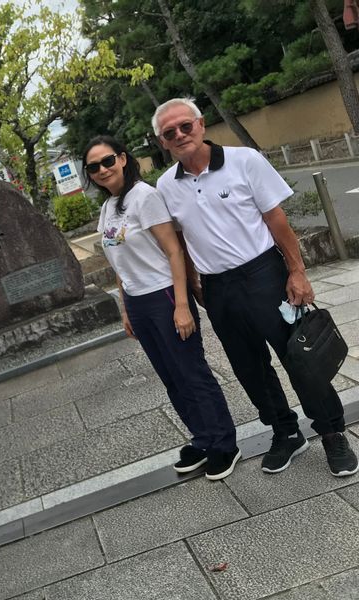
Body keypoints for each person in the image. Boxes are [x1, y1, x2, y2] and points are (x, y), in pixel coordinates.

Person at [152, 97, 358, 477]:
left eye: (186, 125)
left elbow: (277, 221)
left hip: (263, 274)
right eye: (170, 132)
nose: (180, 135)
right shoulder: (166, 186)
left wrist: (297, 271)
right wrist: (195, 283)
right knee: (249, 368)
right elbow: (178, 242)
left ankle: (332, 432)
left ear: (201, 124)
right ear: (163, 142)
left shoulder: (243, 160)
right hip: (217, 288)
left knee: (300, 358)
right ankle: (285, 432)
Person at [83, 135, 240, 480]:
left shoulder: (145, 197)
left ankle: (224, 443)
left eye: (107, 161)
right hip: (138, 302)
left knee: (191, 372)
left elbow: (174, 251)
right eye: (93, 166)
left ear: (123, 159)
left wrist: (182, 305)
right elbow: (119, 265)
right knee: (170, 376)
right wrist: (125, 309)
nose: (102, 170)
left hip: (165, 295)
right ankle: (202, 439)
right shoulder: (108, 208)